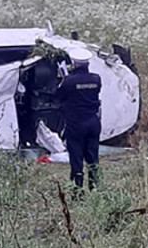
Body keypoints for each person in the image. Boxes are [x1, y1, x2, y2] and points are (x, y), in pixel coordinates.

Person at [57, 47, 102, 191]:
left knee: (76, 157)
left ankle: (77, 190)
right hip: (93, 122)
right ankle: (94, 187)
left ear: (74, 64)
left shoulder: (68, 81)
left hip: (76, 123)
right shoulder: (96, 79)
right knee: (93, 156)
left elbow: (59, 97)